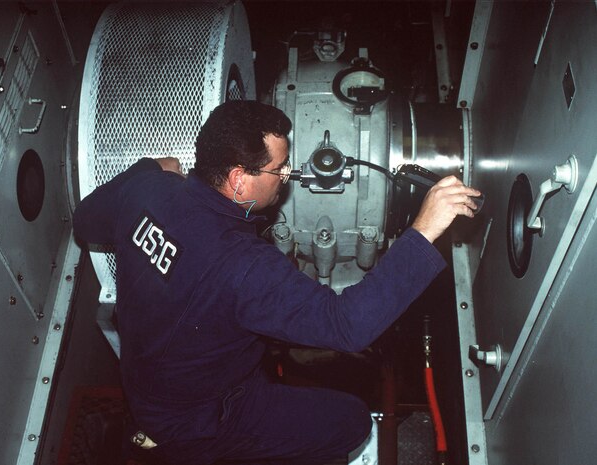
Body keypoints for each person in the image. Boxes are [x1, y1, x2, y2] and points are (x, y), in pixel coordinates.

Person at [73, 100, 480, 465]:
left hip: (147, 376)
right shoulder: (246, 266)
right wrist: (423, 230)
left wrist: (149, 169)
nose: (288, 174)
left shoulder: (147, 189)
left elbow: (85, 220)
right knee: (351, 423)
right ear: (238, 179)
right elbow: (347, 324)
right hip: (197, 418)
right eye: (279, 168)